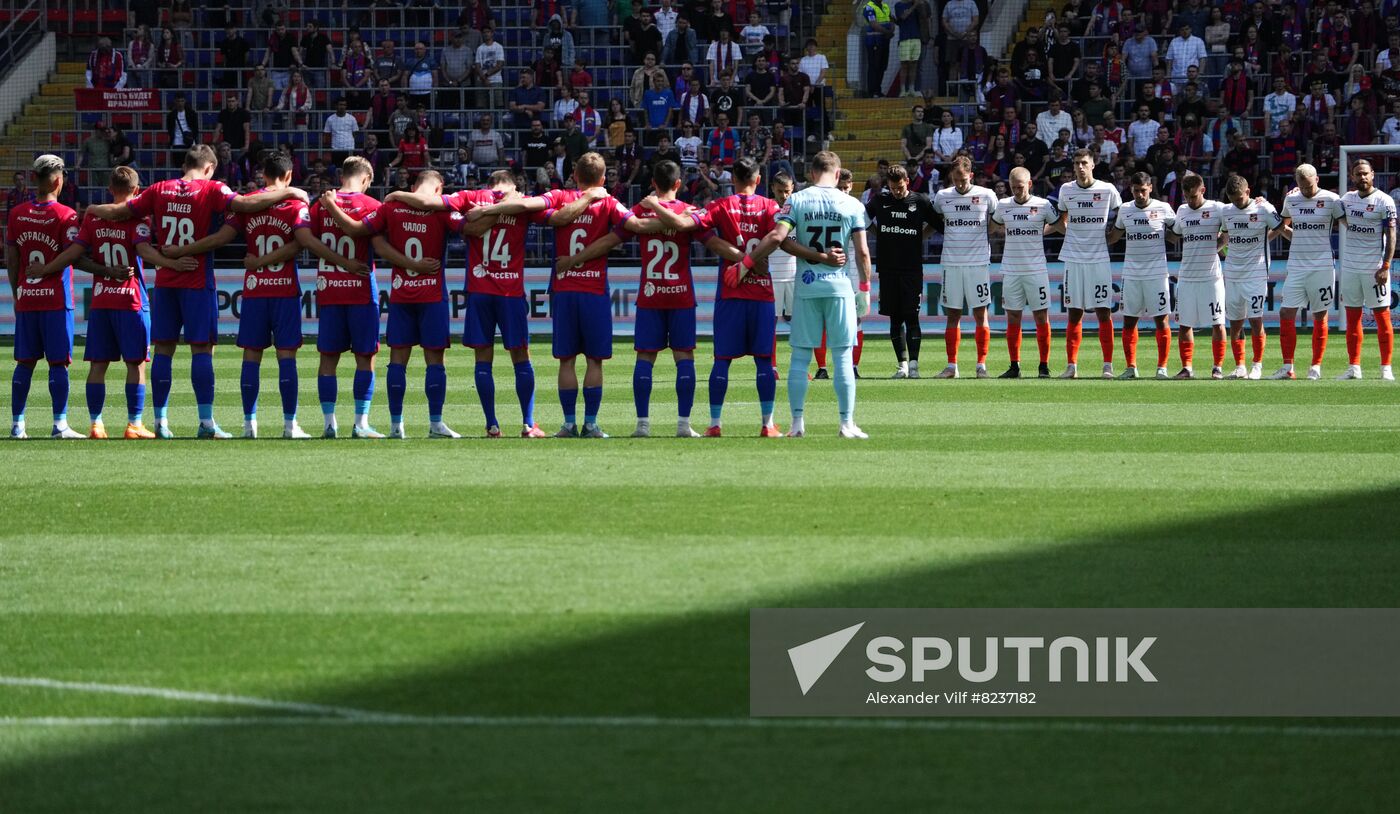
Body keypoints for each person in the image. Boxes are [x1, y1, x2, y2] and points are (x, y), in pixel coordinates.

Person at [86, 144, 308, 439]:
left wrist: (92, 209)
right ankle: (205, 422)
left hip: (165, 281)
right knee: (201, 349)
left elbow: (122, 210)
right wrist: (290, 192)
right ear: (208, 168)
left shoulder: (158, 189)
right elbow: (244, 205)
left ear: (185, 165)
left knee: (164, 349)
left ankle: (161, 422)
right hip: (196, 279)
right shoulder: (213, 188)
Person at [643, 156, 844, 435]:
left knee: (722, 360)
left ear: (732, 179)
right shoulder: (771, 207)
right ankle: (767, 424)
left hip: (730, 292)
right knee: (763, 359)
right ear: (759, 180)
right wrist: (821, 256)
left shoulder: (720, 205)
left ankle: (714, 424)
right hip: (761, 292)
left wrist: (653, 203)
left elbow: (685, 225)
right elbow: (785, 241)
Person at [556, 160, 742, 437]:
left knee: (645, 357)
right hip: (681, 294)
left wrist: (575, 259)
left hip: (650, 293)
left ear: (653, 183)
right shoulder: (689, 212)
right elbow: (714, 244)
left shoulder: (640, 210)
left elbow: (609, 241)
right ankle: (683, 425)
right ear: (678, 184)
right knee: (684, 357)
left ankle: (642, 425)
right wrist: (746, 259)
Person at [463, 153, 633, 438]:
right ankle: (554, 424)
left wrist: (484, 211)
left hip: (505, 290)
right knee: (590, 360)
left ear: (575, 175)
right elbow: (633, 225)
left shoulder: (550, 196)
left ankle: (516, 424)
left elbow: (455, 218)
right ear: (602, 179)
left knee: (560, 360)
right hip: (528, 292)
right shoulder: (607, 201)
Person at [384, 170, 556, 437]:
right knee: (521, 357)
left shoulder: (470, 196)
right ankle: (527, 423)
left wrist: (395, 194)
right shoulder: (522, 202)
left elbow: (428, 202)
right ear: (514, 184)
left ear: (490, 184)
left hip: (479, 292)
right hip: (510, 292)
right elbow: (556, 217)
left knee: (482, 360)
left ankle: (491, 424)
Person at [30, 167, 187, 438]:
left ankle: (96, 424)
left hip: (101, 301)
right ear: (137, 192)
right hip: (131, 301)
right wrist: (172, 264)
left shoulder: (93, 219)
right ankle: (134, 424)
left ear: (110, 189)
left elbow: (75, 255)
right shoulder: (138, 220)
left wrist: (46, 269)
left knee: (98, 365)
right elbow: (144, 250)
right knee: (136, 364)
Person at [169, 153, 316, 439]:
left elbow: (222, 238)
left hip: (255, 289)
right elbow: (300, 243)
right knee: (287, 356)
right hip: (284, 289)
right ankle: (290, 426)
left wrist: (185, 249)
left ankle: (250, 425)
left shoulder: (247, 203)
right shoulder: (296, 203)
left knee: (252, 356)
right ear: (288, 176)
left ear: (264, 175)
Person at [320, 171, 459, 438]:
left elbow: (361, 232)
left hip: (401, 294)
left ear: (413, 186)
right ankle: (435, 424)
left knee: (397, 361)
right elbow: (470, 226)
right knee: (435, 362)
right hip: (431, 295)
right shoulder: (443, 209)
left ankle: (397, 426)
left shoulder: (391, 206)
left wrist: (332, 205)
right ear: (439, 188)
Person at [745, 151, 871, 438]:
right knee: (841, 356)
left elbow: (783, 241)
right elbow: (862, 252)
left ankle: (797, 424)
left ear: (812, 174)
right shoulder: (851, 204)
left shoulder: (797, 200)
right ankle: (846, 423)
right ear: (837, 174)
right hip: (840, 288)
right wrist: (864, 288)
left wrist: (747, 264)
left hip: (806, 284)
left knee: (800, 357)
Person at [297, 157, 383, 438]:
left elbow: (308, 240)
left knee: (328, 358)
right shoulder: (372, 206)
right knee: (365, 358)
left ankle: (328, 424)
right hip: (360, 290)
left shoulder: (319, 206)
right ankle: (360, 423)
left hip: (330, 290)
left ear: (342, 174)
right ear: (367, 179)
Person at [5, 156, 86, 439]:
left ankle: (18, 426)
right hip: (55, 300)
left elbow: (12, 260)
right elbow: (73, 255)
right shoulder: (66, 216)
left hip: (27, 298)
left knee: (24, 362)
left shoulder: (16, 213)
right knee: (58, 363)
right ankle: (59, 424)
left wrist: (18, 293)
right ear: (56, 180)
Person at [1055, 149, 1122, 378]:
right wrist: (1074, 236)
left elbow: (1121, 217)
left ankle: (1107, 366)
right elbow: (1062, 221)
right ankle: (1071, 366)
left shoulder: (1107, 190)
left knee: (1104, 312)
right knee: (1074, 313)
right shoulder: (1066, 190)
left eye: (1084, 163)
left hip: (1099, 260)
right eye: (1076, 163)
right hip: (1073, 259)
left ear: (1093, 164)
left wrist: (1111, 236)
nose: (1080, 167)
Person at [865, 164, 937, 378]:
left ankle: (914, 366)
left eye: (900, 187)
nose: (897, 192)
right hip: (887, 269)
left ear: (907, 181)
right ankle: (902, 366)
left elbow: (936, 223)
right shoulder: (880, 201)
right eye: (893, 188)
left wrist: (920, 236)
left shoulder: (920, 201)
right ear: (888, 185)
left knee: (912, 317)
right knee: (894, 319)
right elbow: (861, 220)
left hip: (911, 269)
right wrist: (878, 233)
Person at [1272, 164, 1342, 380]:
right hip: (1296, 266)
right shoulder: (1291, 199)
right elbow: (1283, 226)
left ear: (1317, 180)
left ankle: (1316, 366)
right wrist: (1297, 237)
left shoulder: (1332, 200)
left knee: (1320, 315)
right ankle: (1287, 368)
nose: (1306, 190)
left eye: (1309, 186)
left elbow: (1346, 224)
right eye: (1302, 187)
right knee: (1285, 313)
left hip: (1322, 266)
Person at [930, 156, 998, 378]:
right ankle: (952, 366)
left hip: (978, 263)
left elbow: (997, 224)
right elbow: (934, 224)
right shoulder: (942, 197)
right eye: (956, 179)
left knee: (981, 314)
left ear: (971, 175)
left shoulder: (987, 195)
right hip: (951, 263)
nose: (959, 183)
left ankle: (981, 365)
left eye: (963, 179)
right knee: (953, 315)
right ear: (951, 176)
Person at [991, 166, 1060, 379]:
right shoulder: (1003, 206)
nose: (1016, 191)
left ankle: (1043, 366)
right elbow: (992, 228)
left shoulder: (1043, 205)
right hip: (1011, 270)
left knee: (1041, 317)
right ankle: (1014, 366)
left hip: (1036, 270)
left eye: (1020, 187)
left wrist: (1041, 230)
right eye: (1013, 187)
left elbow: (1059, 225)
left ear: (1029, 184)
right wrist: (1009, 230)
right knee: (1013, 317)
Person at [1107, 172, 1177, 379]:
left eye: (1143, 191)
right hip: (1132, 275)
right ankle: (1131, 367)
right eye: (1136, 191)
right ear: (1131, 190)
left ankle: (1162, 367)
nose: (1140, 195)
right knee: (1129, 321)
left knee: (1161, 321)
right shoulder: (1125, 210)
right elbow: (1114, 236)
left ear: (1151, 188)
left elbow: (1177, 233)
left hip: (1157, 275)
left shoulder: (1163, 208)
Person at [1215, 174, 1284, 380]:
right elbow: (1225, 235)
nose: (1237, 202)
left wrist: (1265, 239)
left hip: (1256, 273)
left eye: (1240, 198)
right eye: (1233, 199)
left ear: (1248, 192)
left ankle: (1257, 364)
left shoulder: (1263, 208)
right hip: (1233, 272)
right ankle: (1239, 366)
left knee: (1255, 319)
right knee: (1235, 322)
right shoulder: (1226, 212)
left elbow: (1280, 226)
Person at [1334, 160, 1397, 381]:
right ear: (1352, 177)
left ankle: (1386, 368)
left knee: (1382, 317)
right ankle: (1354, 367)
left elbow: (1391, 235)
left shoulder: (1384, 201)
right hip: (1350, 268)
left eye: (1365, 174)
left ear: (1373, 174)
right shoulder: (1347, 199)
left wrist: (1386, 266)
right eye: (1357, 174)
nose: (1362, 177)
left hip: (1374, 268)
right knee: (1352, 319)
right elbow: (1324, 203)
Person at [1167, 172, 1228, 378]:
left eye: (1193, 196)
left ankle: (1217, 367)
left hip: (1212, 278)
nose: (1190, 201)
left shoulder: (1217, 208)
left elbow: (1231, 227)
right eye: (1186, 196)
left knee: (1218, 322)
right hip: (1186, 277)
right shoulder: (1182, 211)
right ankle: (1187, 368)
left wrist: (1216, 246)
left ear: (1202, 190)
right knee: (1184, 323)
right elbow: (1173, 234)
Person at [862, 0, 894, 98]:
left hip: (884, 41)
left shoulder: (885, 6)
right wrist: (887, 32)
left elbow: (891, 20)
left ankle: (878, 90)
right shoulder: (868, 7)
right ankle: (872, 92)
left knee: (882, 66)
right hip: (874, 42)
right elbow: (873, 24)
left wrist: (892, 29)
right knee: (874, 66)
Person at [324, 98, 361, 166]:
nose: (342, 107)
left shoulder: (352, 118)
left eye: (344, 105)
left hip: (349, 148)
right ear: (336, 106)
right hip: (336, 149)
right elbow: (327, 134)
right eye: (340, 104)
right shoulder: (330, 119)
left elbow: (355, 133)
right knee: (337, 169)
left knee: (349, 169)